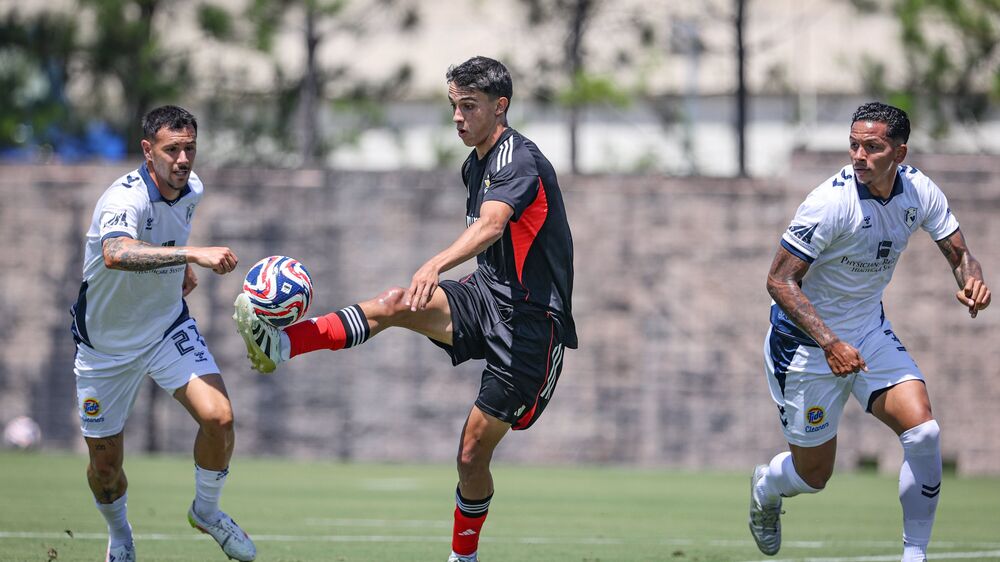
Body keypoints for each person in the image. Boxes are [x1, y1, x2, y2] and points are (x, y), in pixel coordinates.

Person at [234, 56, 577, 562]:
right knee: (394, 303)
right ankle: (281, 343)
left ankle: (464, 554)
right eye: (453, 106)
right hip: (485, 297)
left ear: (500, 107)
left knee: (470, 454)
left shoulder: (516, 159)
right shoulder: (476, 161)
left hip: (531, 327)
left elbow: (493, 226)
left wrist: (433, 265)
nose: (458, 117)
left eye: (469, 106)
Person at [749, 102, 991, 561]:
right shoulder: (829, 203)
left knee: (923, 433)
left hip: (868, 332)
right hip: (803, 349)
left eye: (872, 147)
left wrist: (972, 281)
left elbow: (960, 254)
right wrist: (830, 343)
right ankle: (767, 485)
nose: (859, 156)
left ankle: (914, 556)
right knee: (814, 476)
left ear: (899, 152)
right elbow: (779, 281)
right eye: (854, 145)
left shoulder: (919, 191)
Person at [71, 105, 256, 562]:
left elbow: (162, 243)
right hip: (105, 347)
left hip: (165, 327)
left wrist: (177, 272)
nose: (183, 159)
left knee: (220, 418)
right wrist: (193, 256)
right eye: (172, 149)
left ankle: (207, 512)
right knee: (106, 467)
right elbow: (116, 252)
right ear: (148, 151)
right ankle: (120, 537)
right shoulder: (123, 199)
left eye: (190, 148)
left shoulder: (191, 189)